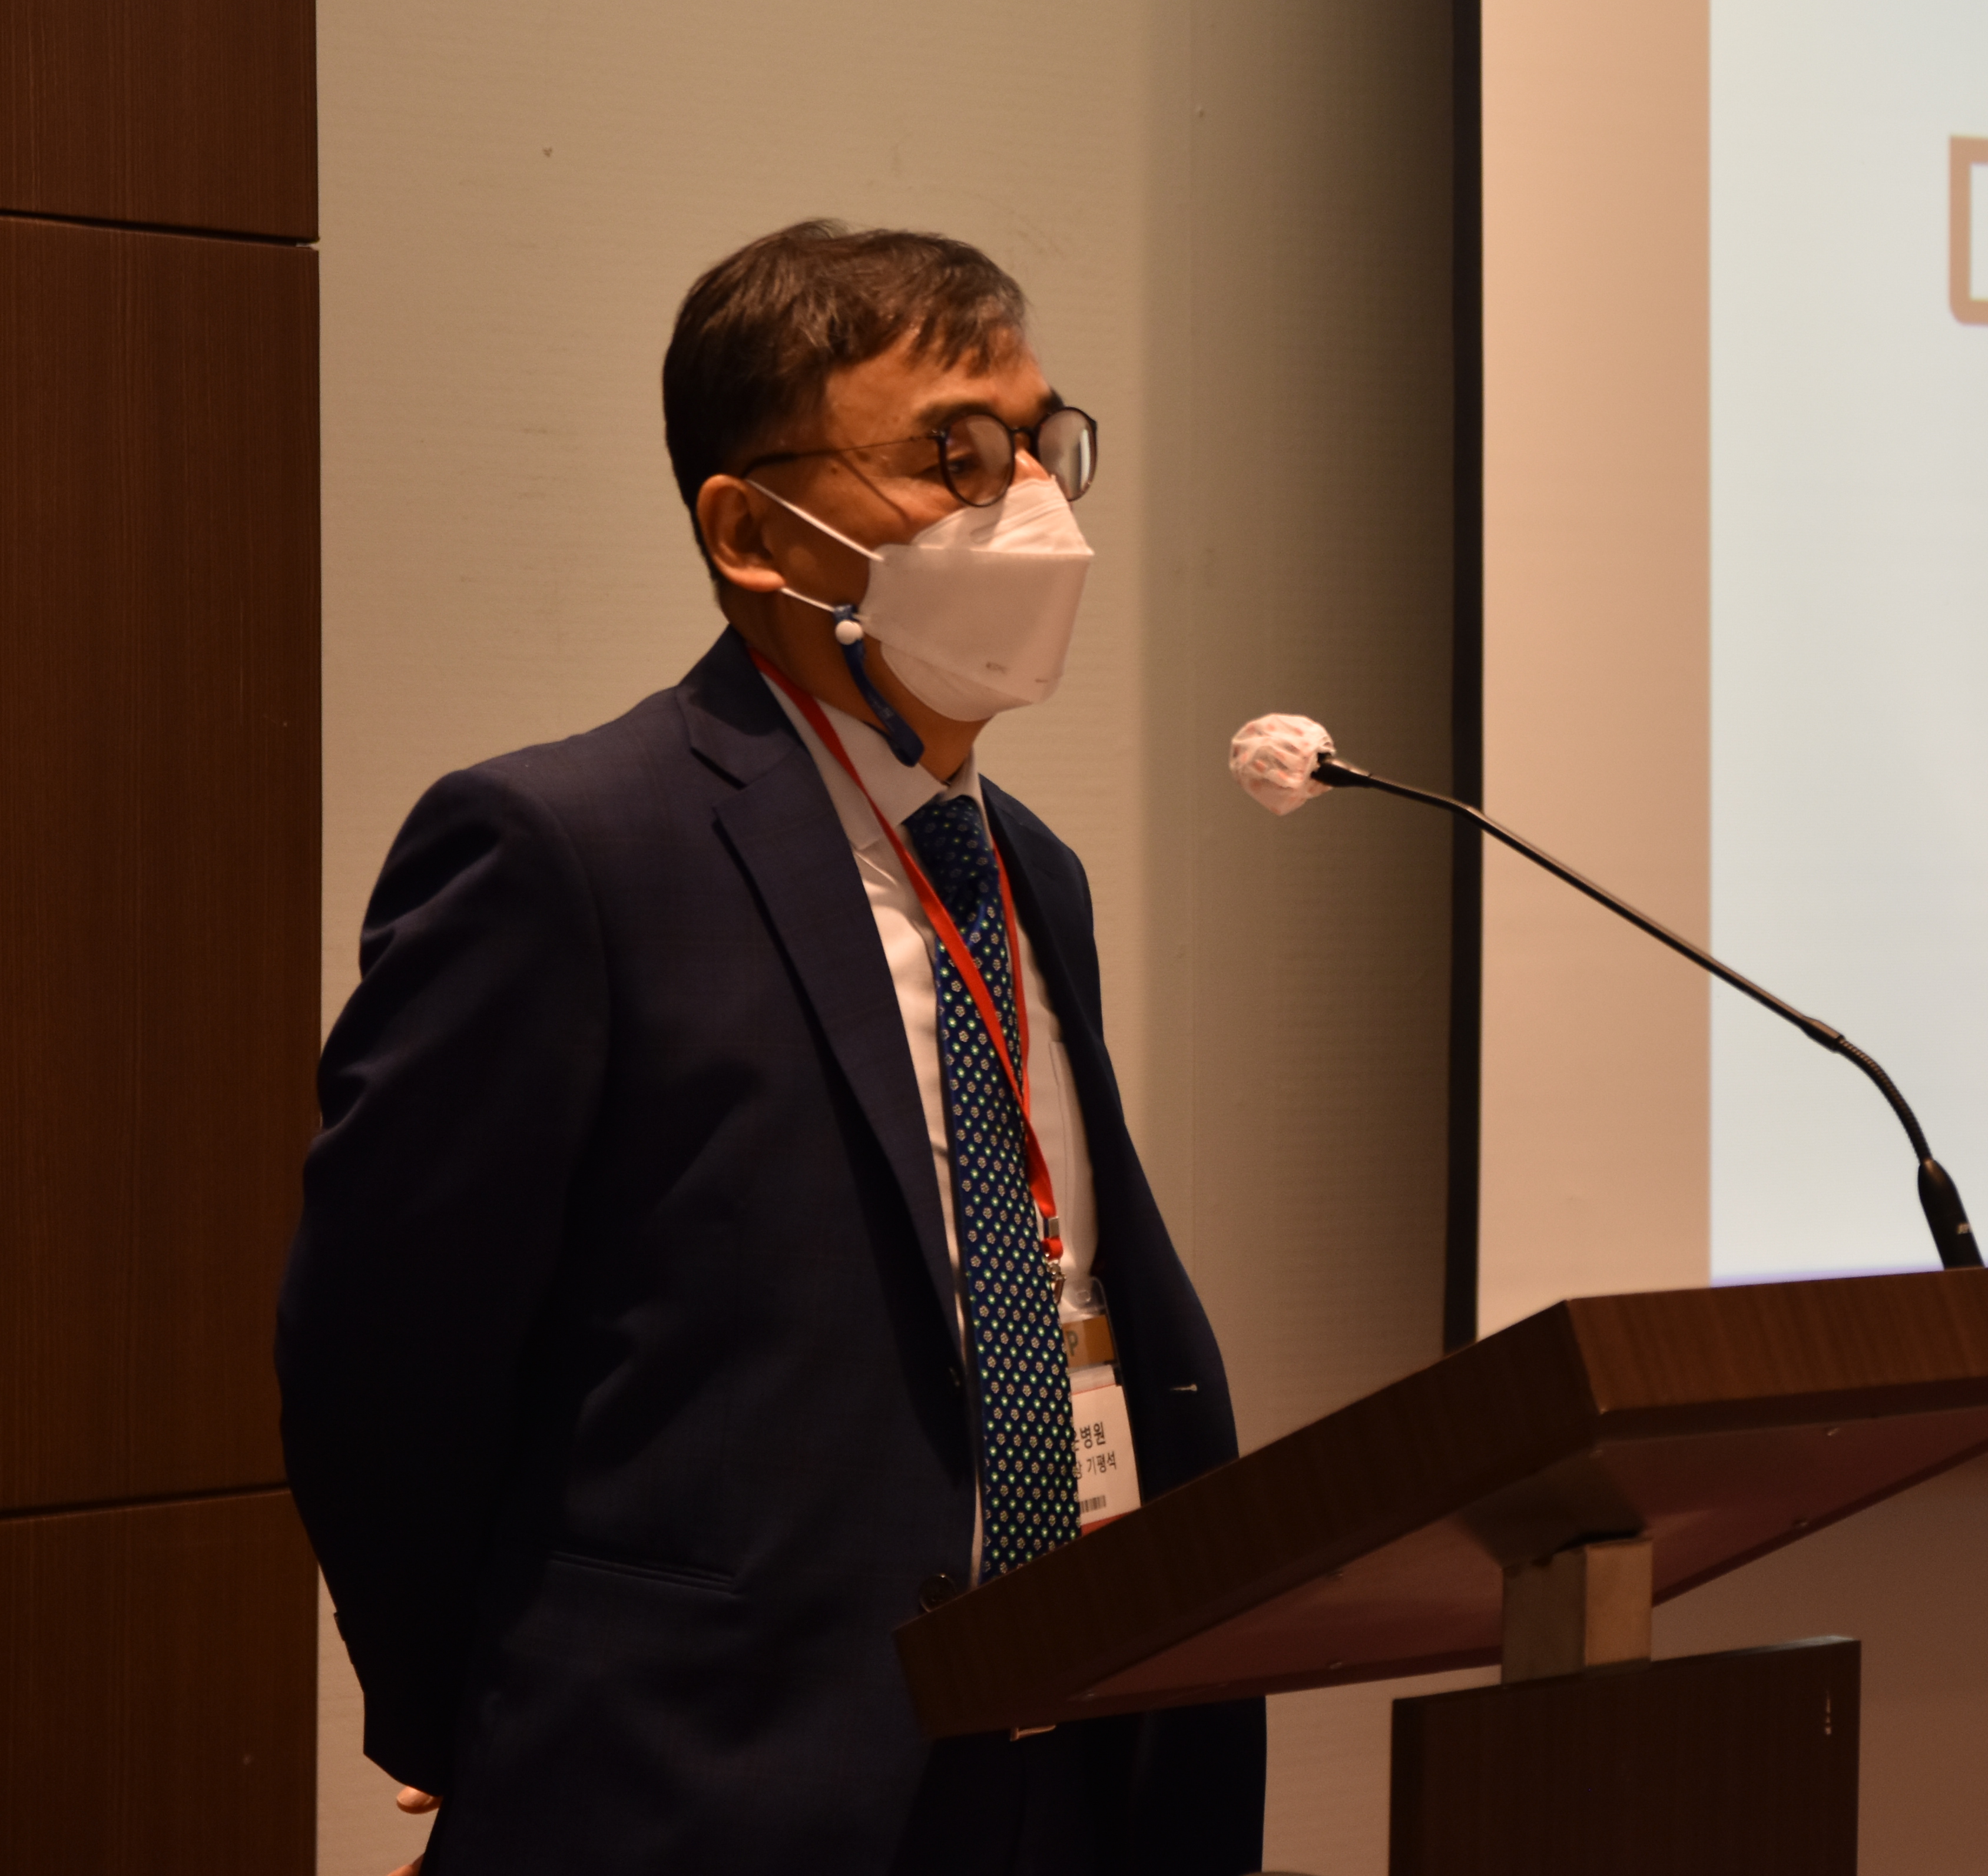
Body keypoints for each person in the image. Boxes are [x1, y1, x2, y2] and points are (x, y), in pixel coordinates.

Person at [279, 223, 1263, 1874]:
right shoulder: (567, 851)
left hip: (1074, 1751)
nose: (1031, 504)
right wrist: (487, 1712)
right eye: (953, 456)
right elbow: (382, 1360)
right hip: (708, 1782)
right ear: (751, 533)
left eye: (1040, 443)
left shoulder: (1030, 869)